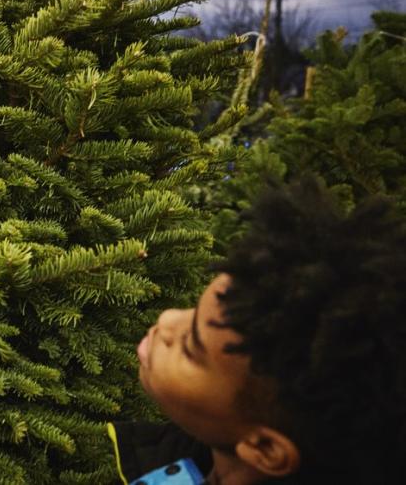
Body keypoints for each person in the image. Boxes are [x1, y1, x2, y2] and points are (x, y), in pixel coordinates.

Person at [117, 178, 405, 484]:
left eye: (190, 347)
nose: (167, 319)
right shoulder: (186, 457)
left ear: (265, 449)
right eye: (191, 313)